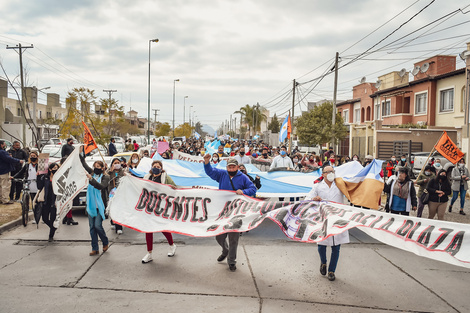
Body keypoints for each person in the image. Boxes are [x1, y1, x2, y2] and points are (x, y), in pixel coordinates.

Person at [203, 156, 257, 272]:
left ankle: (231, 261)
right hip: (222, 211)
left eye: (233, 167)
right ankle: (225, 250)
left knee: (233, 238)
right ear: (226, 167)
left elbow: (253, 189)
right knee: (219, 235)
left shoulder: (243, 178)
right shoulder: (222, 175)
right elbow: (210, 172)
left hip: (236, 212)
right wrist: (207, 162)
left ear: (237, 167)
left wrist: (243, 191)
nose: (231, 169)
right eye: (229, 167)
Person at [305, 165, 349, 282]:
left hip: (337, 218)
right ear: (323, 174)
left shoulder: (340, 185)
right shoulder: (317, 186)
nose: (330, 173)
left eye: (332, 171)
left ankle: (331, 271)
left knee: (336, 246)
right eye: (328, 172)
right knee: (321, 244)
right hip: (323, 218)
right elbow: (308, 198)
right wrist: (314, 198)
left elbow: (352, 192)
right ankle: (323, 262)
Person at [142, 160, 178, 263]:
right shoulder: (146, 177)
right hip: (148, 206)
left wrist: (170, 188)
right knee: (148, 229)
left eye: (158, 166)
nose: (156, 167)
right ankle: (149, 253)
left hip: (161, 206)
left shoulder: (165, 177)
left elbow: (174, 188)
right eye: (154, 166)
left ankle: (172, 245)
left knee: (162, 228)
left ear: (161, 168)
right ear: (151, 167)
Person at [80, 147, 110, 256]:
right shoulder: (92, 174)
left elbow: (101, 187)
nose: (96, 168)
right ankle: (95, 248)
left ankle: (105, 241)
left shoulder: (105, 177)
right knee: (92, 228)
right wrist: (80, 153)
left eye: (98, 167)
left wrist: (91, 180)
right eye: (95, 167)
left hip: (100, 206)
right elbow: (83, 164)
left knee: (98, 226)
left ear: (102, 168)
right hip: (91, 205)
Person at [36, 163, 60, 242]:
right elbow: (39, 186)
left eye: (57, 168)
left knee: (52, 218)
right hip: (46, 201)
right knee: (45, 218)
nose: (55, 169)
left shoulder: (60, 178)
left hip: (55, 202)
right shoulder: (45, 177)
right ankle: (53, 228)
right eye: (54, 168)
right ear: (50, 169)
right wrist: (38, 176)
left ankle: (51, 236)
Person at [0, 140, 24, 204]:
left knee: (1, 186)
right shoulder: (2, 152)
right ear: (1, 145)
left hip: (2, 171)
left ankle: (1, 199)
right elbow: (9, 159)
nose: (5, 146)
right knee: (5, 186)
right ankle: (5, 200)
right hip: (4, 171)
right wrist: (19, 161)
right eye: (4, 144)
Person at [108, 158, 126, 234]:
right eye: (115, 163)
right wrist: (110, 172)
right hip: (112, 193)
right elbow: (106, 180)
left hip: (121, 193)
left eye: (118, 162)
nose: (117, 164)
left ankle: (119, 226)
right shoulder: (109, 172)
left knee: (119, 209)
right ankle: (113, 221)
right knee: (113, 208)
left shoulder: (123, 171)